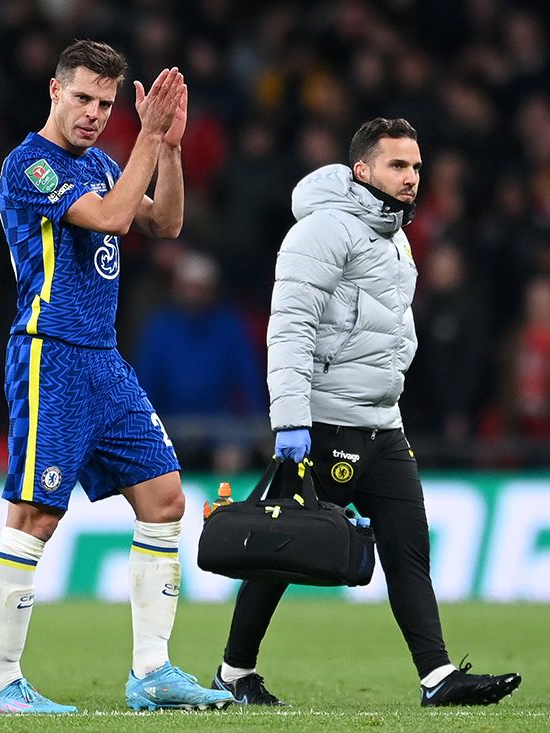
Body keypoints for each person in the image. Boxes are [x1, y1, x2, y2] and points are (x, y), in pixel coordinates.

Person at [211, 118, 522, 707]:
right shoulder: (324, 231)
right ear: (363, 170)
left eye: (417, 167)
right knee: (282, 546)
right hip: (327, 420)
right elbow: (290, 328)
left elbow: (389, 330)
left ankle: (437, 678)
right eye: (398, 166)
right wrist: (291, 420)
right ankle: (233, 672)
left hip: (383, 421)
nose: (412, 179)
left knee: (408, 549)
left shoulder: (395, 236)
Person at [0, 40, 234, 714]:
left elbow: (164, 220)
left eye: (107, 102)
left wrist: (171, 149)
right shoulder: (28, 166)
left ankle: (151, 671)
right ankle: (2, 684)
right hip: (51, 354)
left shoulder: (97, 161)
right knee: (36, 514)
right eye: (85, 97)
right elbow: (115, 216)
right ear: (54, 91)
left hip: (103, 358)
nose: (95, 113)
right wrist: (147, 137)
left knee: (165, 498)